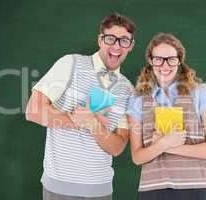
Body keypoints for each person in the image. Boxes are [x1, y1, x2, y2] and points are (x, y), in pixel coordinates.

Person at [25, 12, 135, 200]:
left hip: (101, 191)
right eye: (111, 39)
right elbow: (33, 111)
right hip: (59, 189)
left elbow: (117, 148)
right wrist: (75, 120)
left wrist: (92, 123)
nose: (117, 46)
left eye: (124, 41)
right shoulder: (71, 63)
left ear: (130, 46)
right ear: (100, 40)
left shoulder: (128, 90)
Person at [127, 33, 206, 200]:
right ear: (151, 60)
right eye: (159, 59)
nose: (165, 65)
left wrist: (169, 145)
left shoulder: (199, 92)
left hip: (196, 190)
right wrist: (165, 142)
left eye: (171, 59)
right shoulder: (137, 98)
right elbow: (137, 157)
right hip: (152, 191)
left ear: (179, 60)